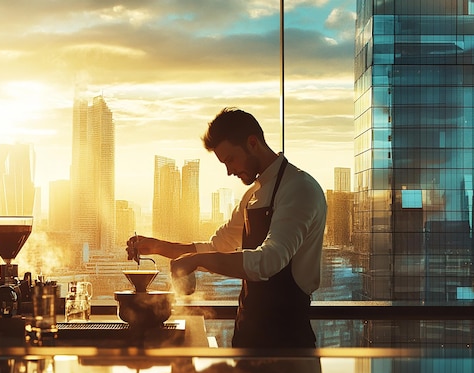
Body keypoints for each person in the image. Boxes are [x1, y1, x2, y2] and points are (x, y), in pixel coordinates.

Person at [126, 107, 327, 348]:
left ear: (252, 143)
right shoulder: (252, 195)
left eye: (230, 159)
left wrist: (196, 261)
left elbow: (269, 260)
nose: (229, 171)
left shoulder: (299, 189)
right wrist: (158, 246)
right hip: (246, 338)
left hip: (287, 345)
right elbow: (215, 247)